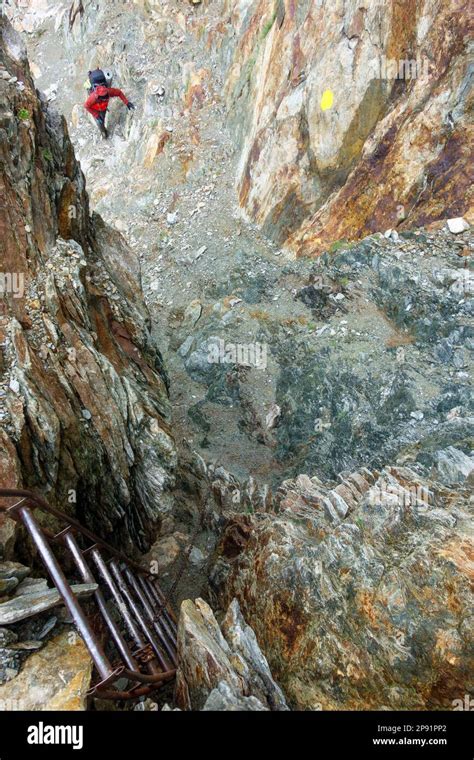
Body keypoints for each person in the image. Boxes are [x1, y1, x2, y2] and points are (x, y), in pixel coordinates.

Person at [83, 69, 135, 138]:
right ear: (98, 97)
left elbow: (119, 92)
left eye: (106, 98)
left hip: (103, 108)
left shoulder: (109, 91)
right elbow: (86, 106)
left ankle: (104, 131)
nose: (105, 99)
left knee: (102, 119)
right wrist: (96, 115)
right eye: (103, 98)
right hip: (95, 109)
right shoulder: (93, 97)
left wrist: (127, 102)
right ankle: (104, 134)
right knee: (100, 123)